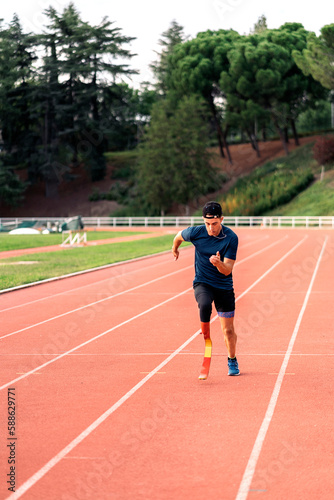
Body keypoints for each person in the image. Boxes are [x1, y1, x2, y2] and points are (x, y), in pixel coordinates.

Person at [172, 201, 239, 377]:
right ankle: (206, 338)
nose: (211, 228)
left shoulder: (231, 238)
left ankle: (232, 359)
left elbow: (228, 270)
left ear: (221, 220)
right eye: (207, 224)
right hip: (203, 282)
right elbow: (178, 236)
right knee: (204, 304)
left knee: (228, 330)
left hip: (223, 286)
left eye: (215, 224)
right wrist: (175, 249)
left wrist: (218, 264)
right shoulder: (196, 232)